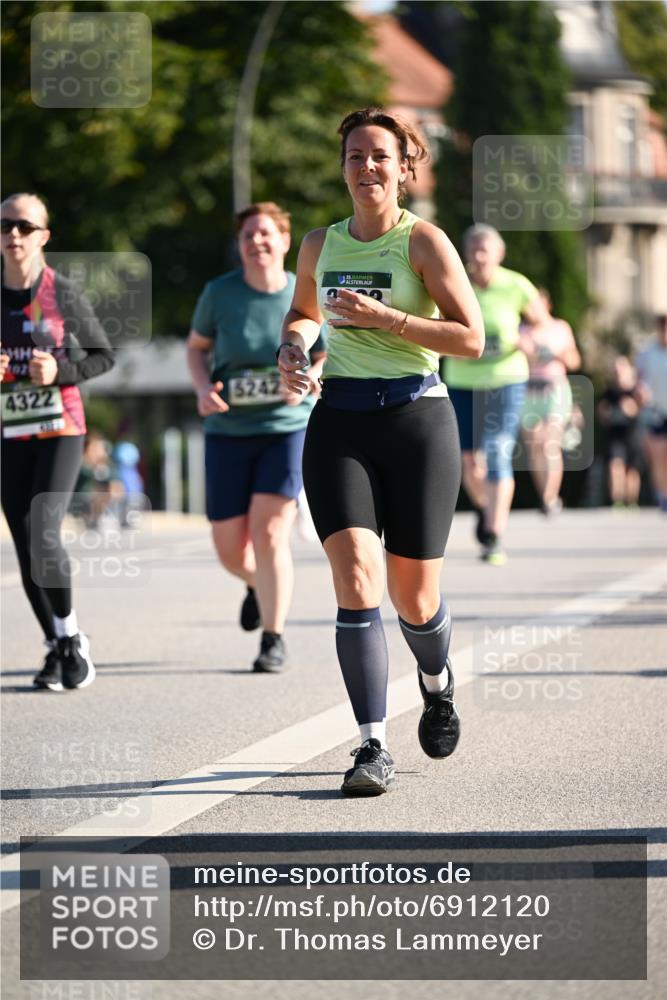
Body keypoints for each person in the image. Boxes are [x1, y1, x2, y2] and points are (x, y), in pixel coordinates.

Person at [277, 107, 484, 796]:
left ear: (403, 167)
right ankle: (371, 744)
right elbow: (302, 313)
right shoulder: (317, 243)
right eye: (354, 156)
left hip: (416, 420)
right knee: (356, 578)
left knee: (413, 597)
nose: (366, 167)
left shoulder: (421, 243)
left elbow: (470, 338)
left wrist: (390, 318)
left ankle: (435, 680)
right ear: (342, 168)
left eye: (378, 157)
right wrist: (294, 348)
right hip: (339, 421)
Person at [186, 202, 326, 673]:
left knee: (270, 534)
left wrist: (308, 379)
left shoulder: (301, 293)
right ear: (240, 244)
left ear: (285, 242)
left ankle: (273, 637)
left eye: (266, 234)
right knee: (230, 549)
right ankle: (256, 584)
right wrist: (204, 388)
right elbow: (196, 349)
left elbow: (326, 350)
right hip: (227, 431)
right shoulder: (219, 294)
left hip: (285, 430)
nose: (257, 242)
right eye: (248, 235)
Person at [1, 192, 115, 691]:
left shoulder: (60, 292)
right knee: (25, 543)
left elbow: (103, 356)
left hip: (60, 428)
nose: (13, 235)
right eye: (5, 225)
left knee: (44, 531)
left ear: (44, 236)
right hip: (10, 432)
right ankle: (53, 643)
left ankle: (71, 638)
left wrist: (60, 370)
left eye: (25, 226)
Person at [445, 224, 541, 564]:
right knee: (468, 460)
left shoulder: (515, 285)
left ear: (499, 254)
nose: (480, 256)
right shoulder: (457, 282)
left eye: (486, 249)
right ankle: (487, 507)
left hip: (506, 378)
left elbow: (542, 323)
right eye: (474, 249)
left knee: (498, 450)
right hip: (462, 379)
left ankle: (494, 536)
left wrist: (529, 339)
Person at [519, 288, 581, 515]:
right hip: (528, 391)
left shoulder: (560, 328)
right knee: (535, 445)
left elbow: (575, 361)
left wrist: (559, 354)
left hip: (554, 391)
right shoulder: (521, 330)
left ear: (547, 305)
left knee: (550, 443)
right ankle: (543, 494)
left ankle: (550, 497)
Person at [597, 356, 642, 511]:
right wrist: (606, 413)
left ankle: (632, 501)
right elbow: (601, 413)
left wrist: (631, 408)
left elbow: (642, 408)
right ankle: (618, 500)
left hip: (632, 434)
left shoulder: (635, 390)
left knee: (632, 469)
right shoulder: (609, 392)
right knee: (615, 466)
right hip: (614, 435)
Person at [636, 314, 667, 512]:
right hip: (656, 411)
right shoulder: (647, 353)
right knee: (658, 456)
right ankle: (663, 496)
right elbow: (639, 380)